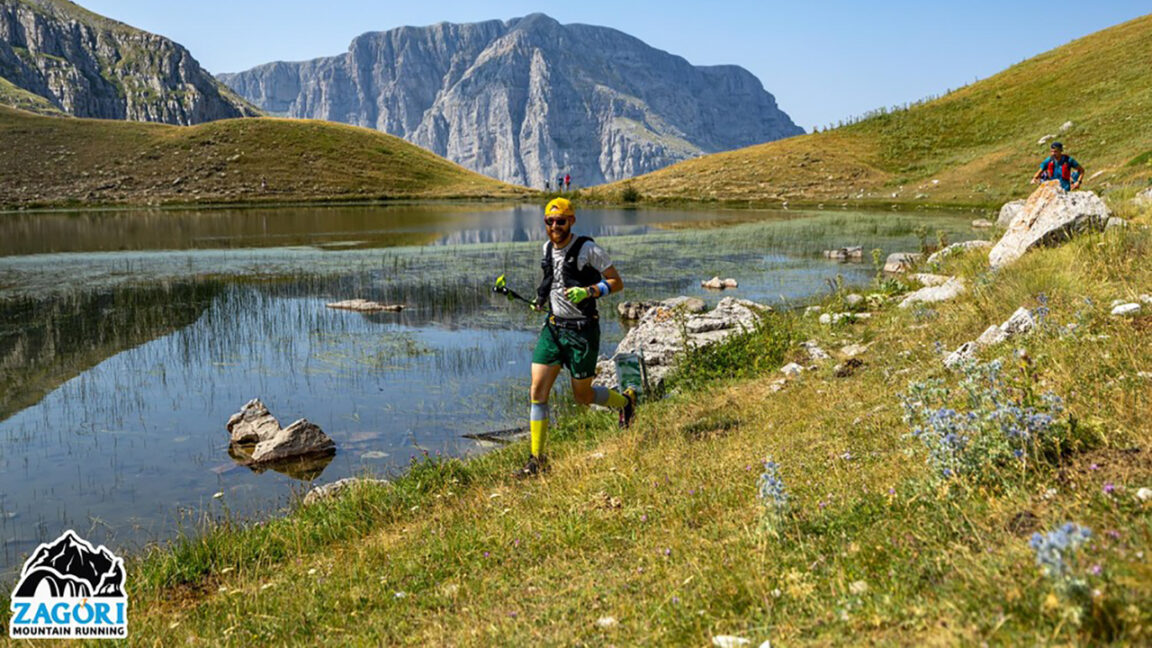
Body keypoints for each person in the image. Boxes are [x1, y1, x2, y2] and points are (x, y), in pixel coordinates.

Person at [521, 197, 636, 476]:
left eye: (561, 220)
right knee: (537, 391)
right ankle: (537, 460)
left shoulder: (588, 249)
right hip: (553, 329)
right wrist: (540, 300)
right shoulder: (546, 248)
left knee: (582, 397)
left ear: (571, 220)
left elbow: (616, 282)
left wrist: (590, 291)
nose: (555, 226)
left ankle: (626, 403)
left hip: (583, 331)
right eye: (550, 221)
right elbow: (550, 280)